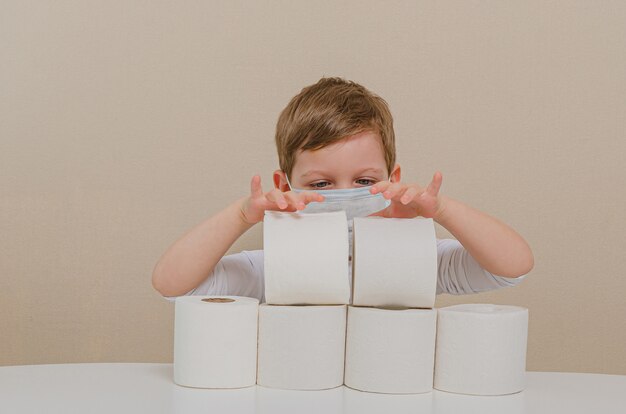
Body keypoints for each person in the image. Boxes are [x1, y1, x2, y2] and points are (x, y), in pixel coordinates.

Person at [152, 77, 534, 302]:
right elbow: (173, 285)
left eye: (365, 182)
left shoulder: (416, 259)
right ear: (285, 187)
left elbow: (512, 267)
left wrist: (442, 210)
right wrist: (242, 215)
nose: (345, 195)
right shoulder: (276, 266)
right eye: (321, 184)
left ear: (393, 180)